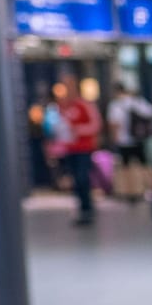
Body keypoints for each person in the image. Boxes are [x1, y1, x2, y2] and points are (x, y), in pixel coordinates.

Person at [53, 73, 102, 227]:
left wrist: (78, 130)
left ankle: (87, 208)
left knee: (82, 177)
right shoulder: (63, 107)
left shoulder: (85, 105)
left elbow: (96, 125)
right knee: (75, 180)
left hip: (84, 149)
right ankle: (81, 207)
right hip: (70, 149)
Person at [105, 82, 152, 205]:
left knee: (126, 166)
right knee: (144, 165)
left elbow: (113, 124)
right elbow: (151, 112)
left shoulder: (115, 105)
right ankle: (148, 188)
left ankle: (129, 191)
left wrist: (114, 138)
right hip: (138, 138)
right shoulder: (136, 101)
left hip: (123, 140)